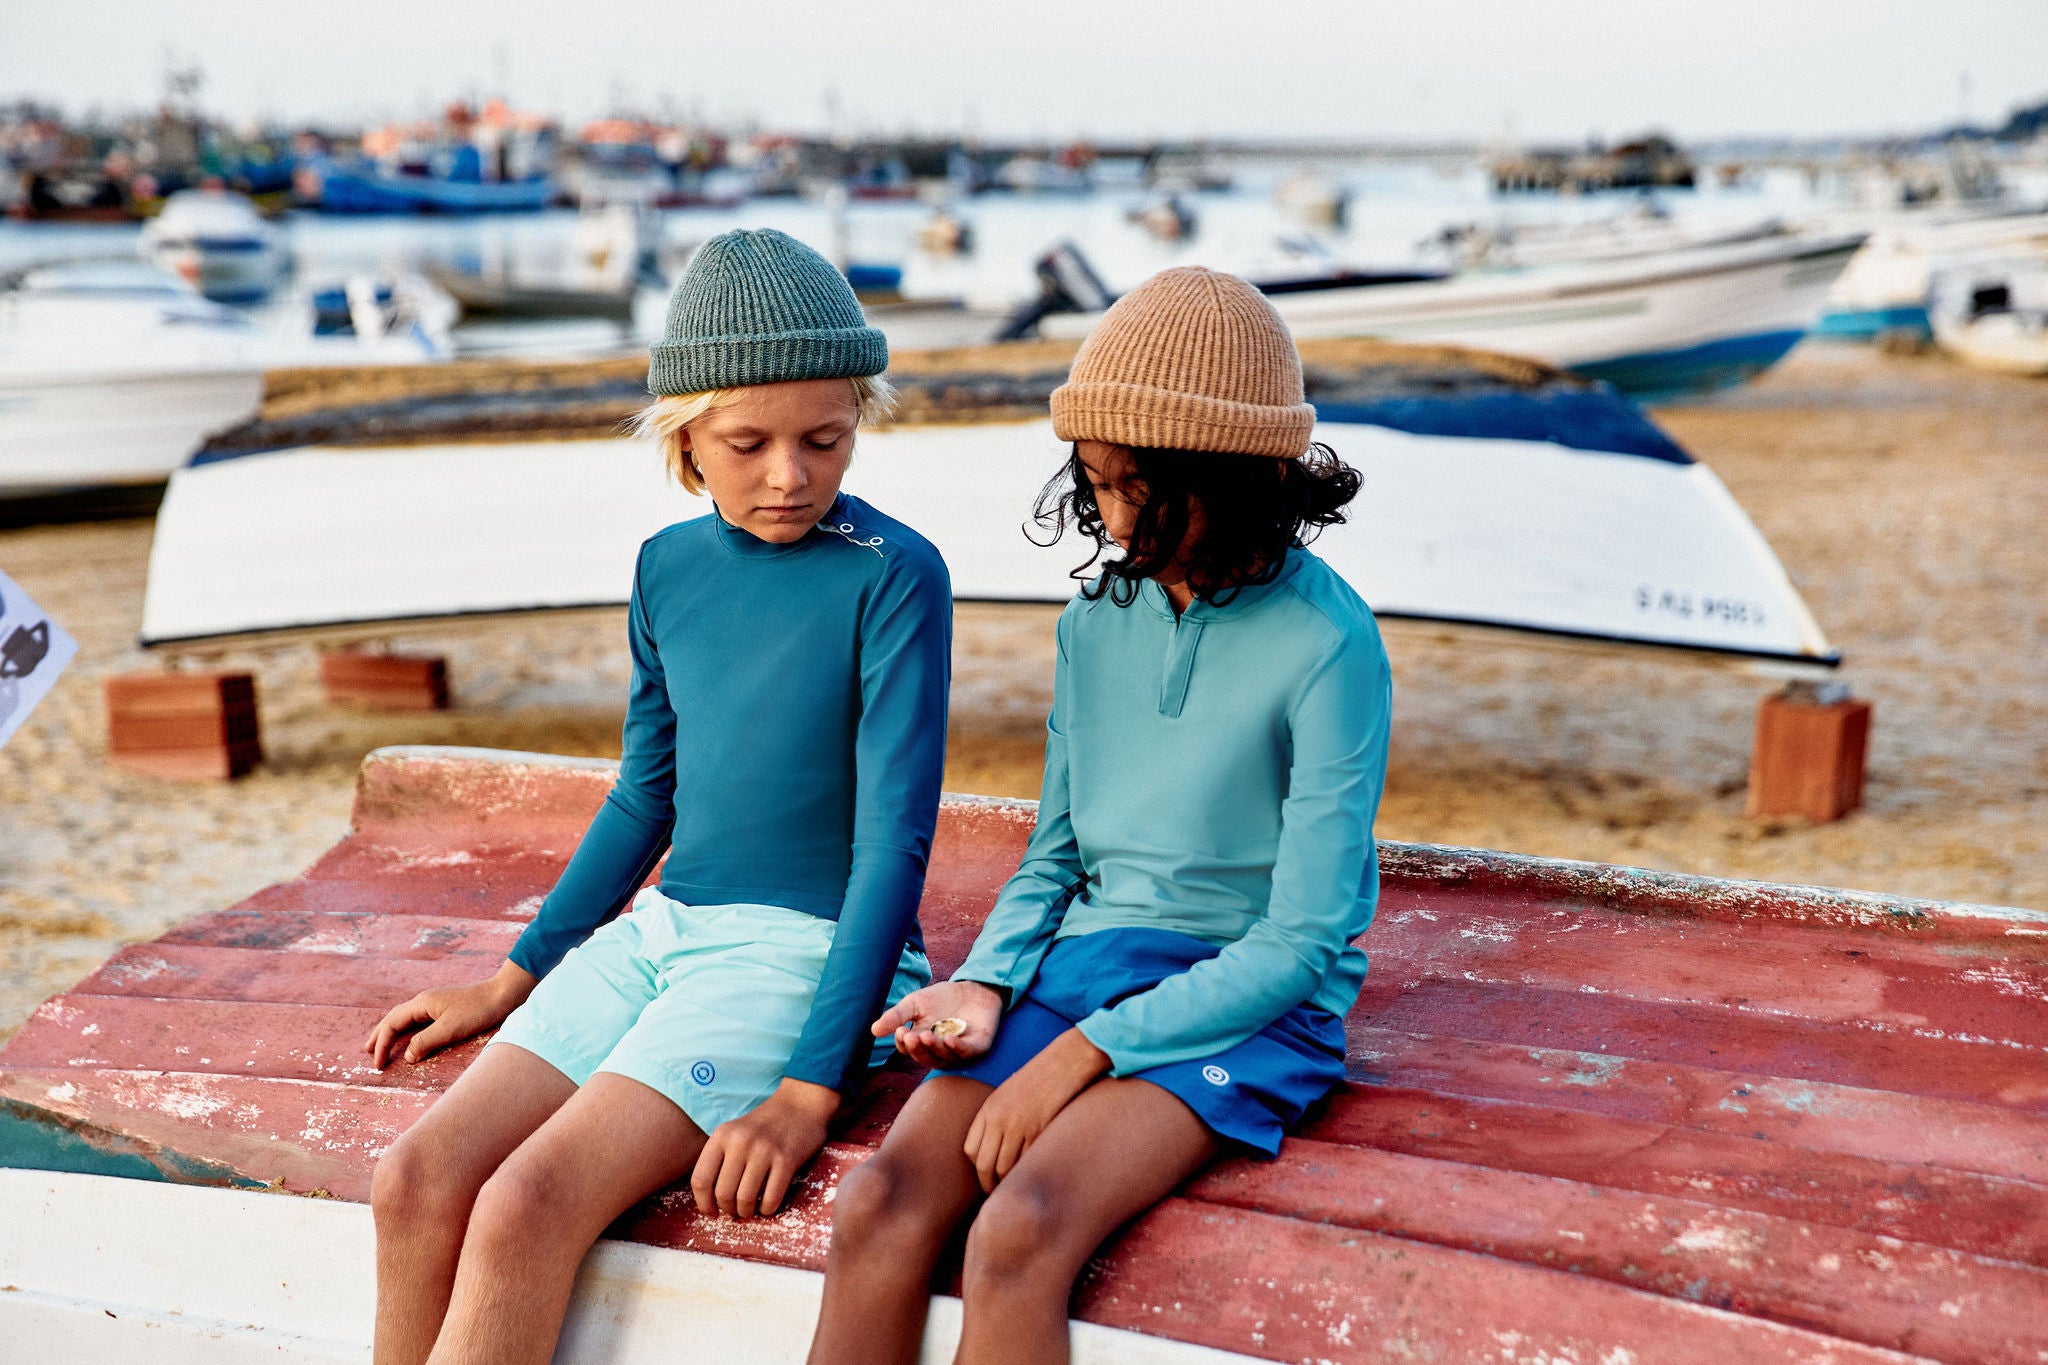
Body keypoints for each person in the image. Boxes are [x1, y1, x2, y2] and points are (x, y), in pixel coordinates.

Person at [360, 227, 952, 1365]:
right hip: (664, 934)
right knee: (417, 1177)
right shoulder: (665, 567)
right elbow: (645, 793)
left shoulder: (892, 572)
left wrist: (809, 1088)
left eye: (825, 439)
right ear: (682, 433)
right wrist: (514, 974)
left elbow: (893, 847)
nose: (790, 474)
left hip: (803, 949)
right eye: (748, 443)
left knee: (526, 1206)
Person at [807, 267, 1391, 1365]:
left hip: (1253, 1003)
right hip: (1084, 965)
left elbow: (1301, 940)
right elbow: (1058, 852)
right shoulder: (1095, 620)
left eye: (1143, 490)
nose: (1116, 520)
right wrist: (986, 982)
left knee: (1019, 1232)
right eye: (1098, 483)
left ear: (1244, 475)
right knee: (880, 1202)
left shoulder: (1331, 646)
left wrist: (1078, 1057)